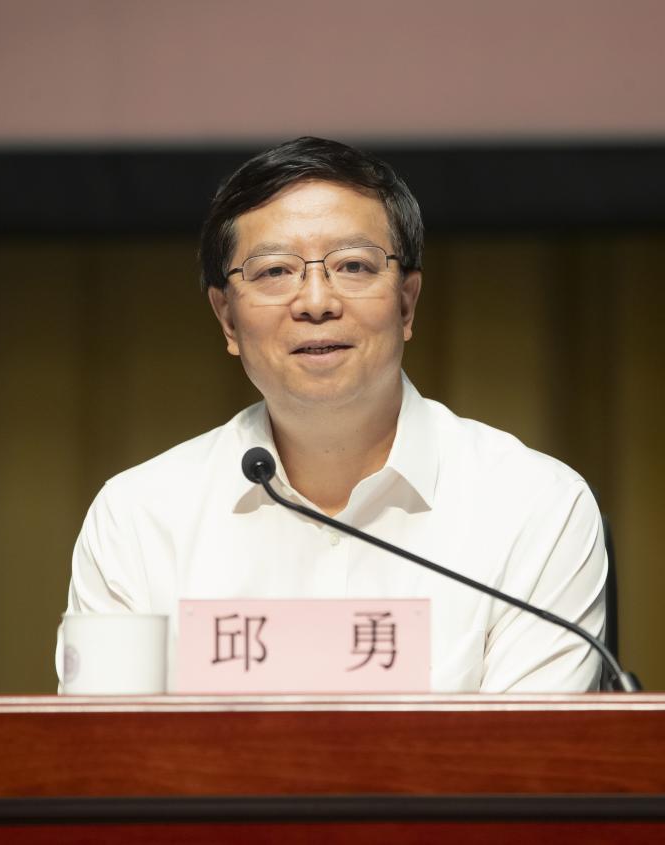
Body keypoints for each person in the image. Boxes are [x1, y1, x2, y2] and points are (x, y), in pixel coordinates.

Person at [57, 136, 607, 692]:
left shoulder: (533, 505)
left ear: (406, 303)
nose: (316, 302)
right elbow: (106, 743)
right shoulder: (139, 517)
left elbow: (525, 747)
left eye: (353, 265)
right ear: (227, 319)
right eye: (275, 271)